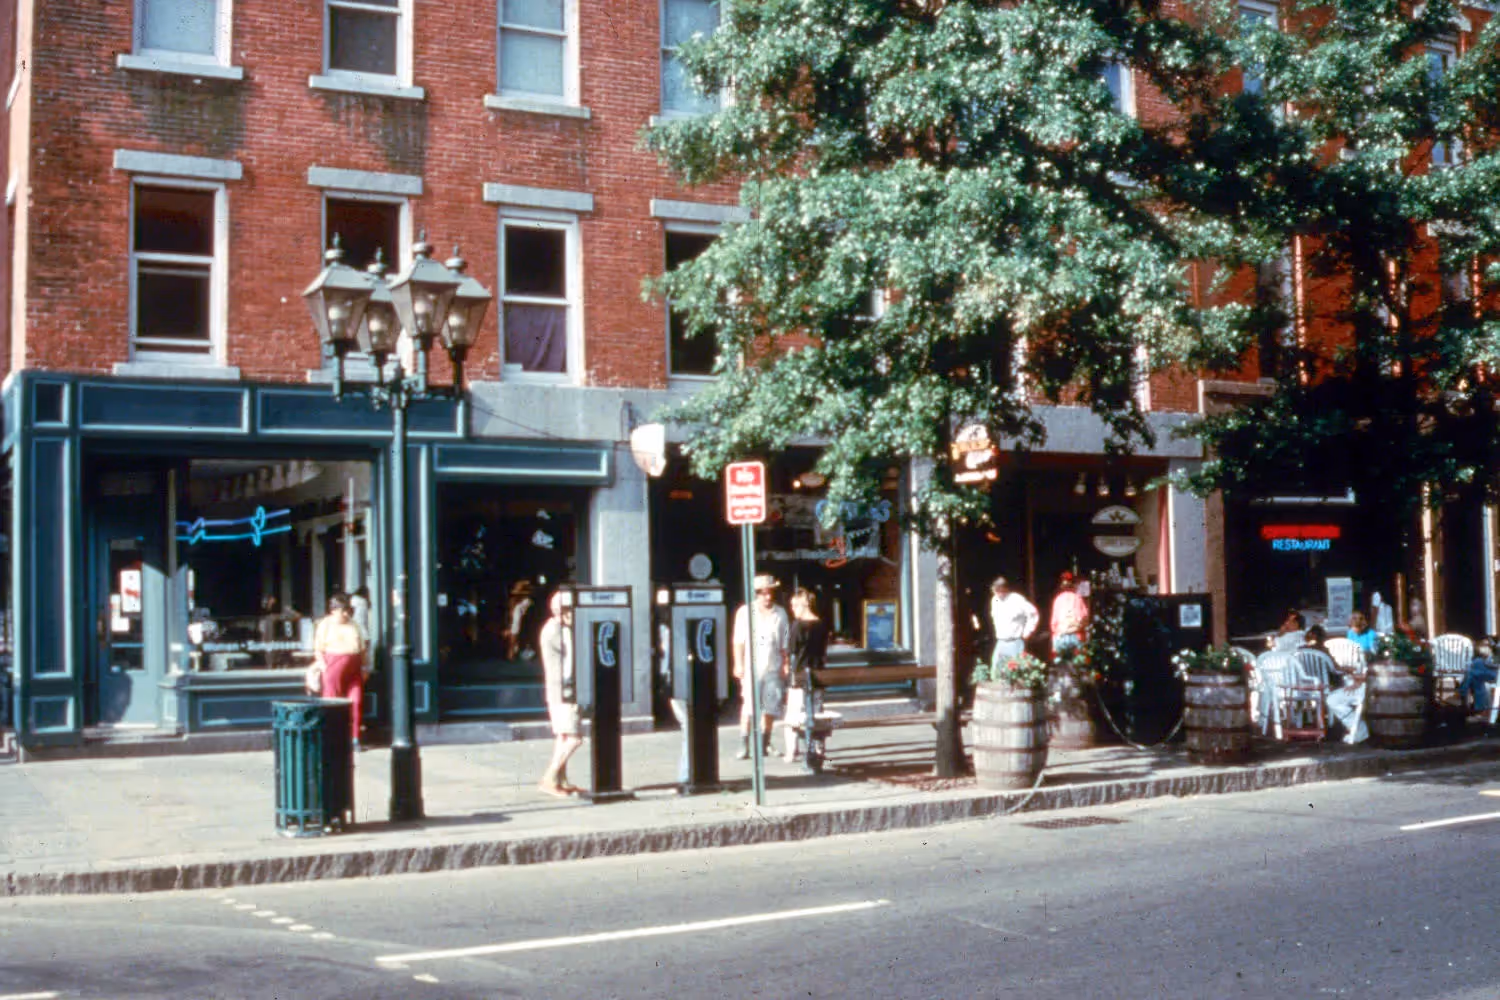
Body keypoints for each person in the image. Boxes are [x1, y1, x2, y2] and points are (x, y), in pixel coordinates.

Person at [732, 573, 791, 761]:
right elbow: (738, 641)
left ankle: (765, 743)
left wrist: (786, 664)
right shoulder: (745, 612)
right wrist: (738, 663)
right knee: (749, 706)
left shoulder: (780, 613)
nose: (767, 596)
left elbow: (785, 643)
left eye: (770, 592)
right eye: (763, 593)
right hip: (751, 667)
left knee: (770, 707)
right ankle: (744, 744)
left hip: (773, 666)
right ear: (756, 593)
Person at [537, 589, 584, 797]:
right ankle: (550, 777)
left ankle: (561, 780)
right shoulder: (558, 631)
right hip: (563, 691)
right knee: (574, 738)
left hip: (557, 690)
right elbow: (572, 660)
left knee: (563, 737)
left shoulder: (556, 628)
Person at [313, 593, 368, 751]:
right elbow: (318, 649)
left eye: (348, 610)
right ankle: (331, 739)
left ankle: (355, 738)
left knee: (356, 701)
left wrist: (364, 666)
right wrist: (324, 668)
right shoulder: (325, 624)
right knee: (332, 703)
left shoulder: (354, 624)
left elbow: (362, 648)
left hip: (354, 666)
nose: (346, 614)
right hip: (334, 665)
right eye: (343, 610)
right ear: (333, 610)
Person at [784, 587, 829, 766]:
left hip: (801, 674)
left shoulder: (797, 625)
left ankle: (791, 751)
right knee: (817, 713)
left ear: (803, 604)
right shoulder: (822, 624)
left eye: (794, 605)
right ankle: (819, 749)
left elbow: (791, 650)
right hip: (819, 675)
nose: (792, 609)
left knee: (793, 715)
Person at [990, 576, 1039, 668]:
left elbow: (1033, 614)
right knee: (996, 673)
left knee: (1016, 672)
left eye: (998, 590)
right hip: (1001, 642)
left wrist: (1028, 631)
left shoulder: (1017, 599)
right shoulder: (994, 600)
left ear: (1005, 589)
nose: (996, 593)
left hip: (1015, 642)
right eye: (995, 590)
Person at [1049, 572, 1089, 656]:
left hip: (1065, 635)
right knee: (1076, 662)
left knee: (1063, 663)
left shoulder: (1059, 599)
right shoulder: (1077, 598)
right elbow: (1085, 617)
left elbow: (1054, 623)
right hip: (1072, 634)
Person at [1457, 639, 1498, 715]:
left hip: (1496, 675)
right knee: (1475, 675)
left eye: (1486, 645)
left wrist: (1489, 657)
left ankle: (1463, 691)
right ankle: (1480, 709)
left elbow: (1496, 662)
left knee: (1471, 672)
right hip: (1486, 673)